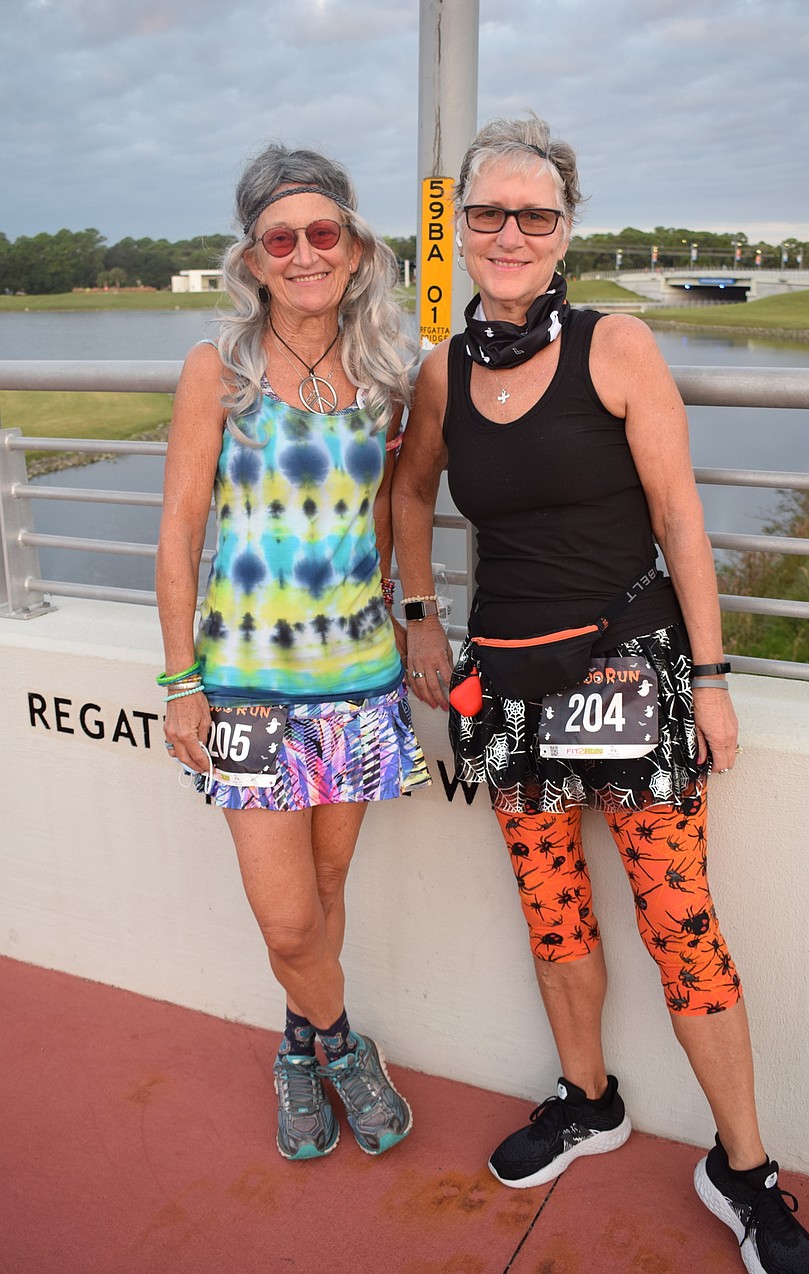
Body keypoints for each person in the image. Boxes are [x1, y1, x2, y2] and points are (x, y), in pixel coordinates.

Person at [392, 114, 809, 1273]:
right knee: (554, 914)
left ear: (566, 227)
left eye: (535, 214)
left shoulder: (615, 345)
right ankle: (588, 1099)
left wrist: (717, 678)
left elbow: (683, 518)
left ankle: (743, 1168)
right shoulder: (440, 369)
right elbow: (408, 493)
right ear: (461, 225)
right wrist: (422, 616)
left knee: (682, 925)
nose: (510, 233)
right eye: (488, 212)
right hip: (509, 688)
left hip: (631, 670)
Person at [156, 143, 429, 1163]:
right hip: (246, 690)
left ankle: (295, 1044)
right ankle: (344, 1047)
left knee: (325, 890)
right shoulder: (214, 370)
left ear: (356, 248)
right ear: (254, 257)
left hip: (358, 681)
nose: (306, 252)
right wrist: (183, 682)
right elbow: (180, 530)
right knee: (286, 922)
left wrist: (416, 621)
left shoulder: (389, 375)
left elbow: (398, 512)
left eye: (325, 232)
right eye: (283, 238)